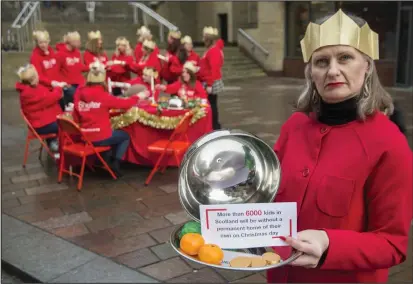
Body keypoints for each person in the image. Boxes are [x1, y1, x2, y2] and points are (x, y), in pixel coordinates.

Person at [267, 10, 412, 283]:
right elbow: (270, 194)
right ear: (311, 72)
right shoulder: (294, 127)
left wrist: (329, 244)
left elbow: (393, 243)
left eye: (345, 57)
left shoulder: (390, 144)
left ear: (367, 65)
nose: (333, 70)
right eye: (321, 61)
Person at [72, 61, 140, 177]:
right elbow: (124, 104)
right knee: (125, 136)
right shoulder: (103, 96)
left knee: (112, 133)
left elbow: (75, 116)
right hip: (98, 136)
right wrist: (137, 97)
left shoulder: (79, 94)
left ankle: (106, 159)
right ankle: (116, 163)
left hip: (84, 135)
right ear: (103, 80)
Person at [16, 64, 63, 152]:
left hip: (42, 120)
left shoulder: (31, 88)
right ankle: (62, 149)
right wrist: (58, 87)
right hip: (40, 125)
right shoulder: (29, 93)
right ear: (33, 79)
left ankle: (54, 142)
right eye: (37, 74)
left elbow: (47, 97)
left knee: (64, 120)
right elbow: (50, 98)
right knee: (67, 126)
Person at [198, 26, 224, 130]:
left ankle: (215, 125)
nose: (203, 40)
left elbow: (214, 70)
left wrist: (209, 84)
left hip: (210, 81)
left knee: (212, 105)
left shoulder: (213, 51)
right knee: (211, 104)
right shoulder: (211, 49)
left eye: (205, 38)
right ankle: (213, 125)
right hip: (208, 80)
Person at [56, 31, 89, 109]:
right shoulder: (60, 54)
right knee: (75, 95)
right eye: (78, 41)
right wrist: (62, 83)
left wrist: (90, 67)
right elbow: (56, 71)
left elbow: (80, 67)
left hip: (79, 83)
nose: (80, 43)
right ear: (71, 41)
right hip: (68, 84)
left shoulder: (77, 53)